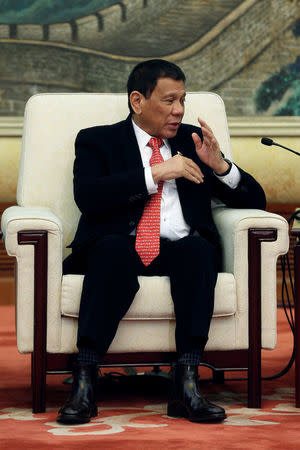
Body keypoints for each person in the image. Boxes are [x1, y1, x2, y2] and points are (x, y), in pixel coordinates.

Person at [57, 59, 266, 425]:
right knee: (111, 250)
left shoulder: (192, 142)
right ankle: (85, 381)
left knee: (200, 251)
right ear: (138, 101)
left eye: (183, 100)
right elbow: (88, 196)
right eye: (169, 101)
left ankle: (186, 384)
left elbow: (255, 202)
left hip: (176, 250)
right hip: (119, 245)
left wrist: (220, 167)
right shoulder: (97, 140)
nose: (179, 110)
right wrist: (154, 173)